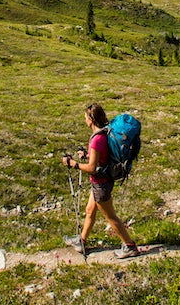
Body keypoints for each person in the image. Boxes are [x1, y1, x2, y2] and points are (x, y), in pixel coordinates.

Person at [62, 103, 140, 259]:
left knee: (110, 216)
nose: (85, 120)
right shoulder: (104, 133)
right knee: (90, 210)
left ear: (91, 119)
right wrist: (86, 155)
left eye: (85, 117)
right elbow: (100, 158)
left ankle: (130, 246)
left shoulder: (96, 140)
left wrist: (74, 164)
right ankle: (82, 241)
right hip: (103, 180)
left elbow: (92, 168)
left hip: (101, 184)